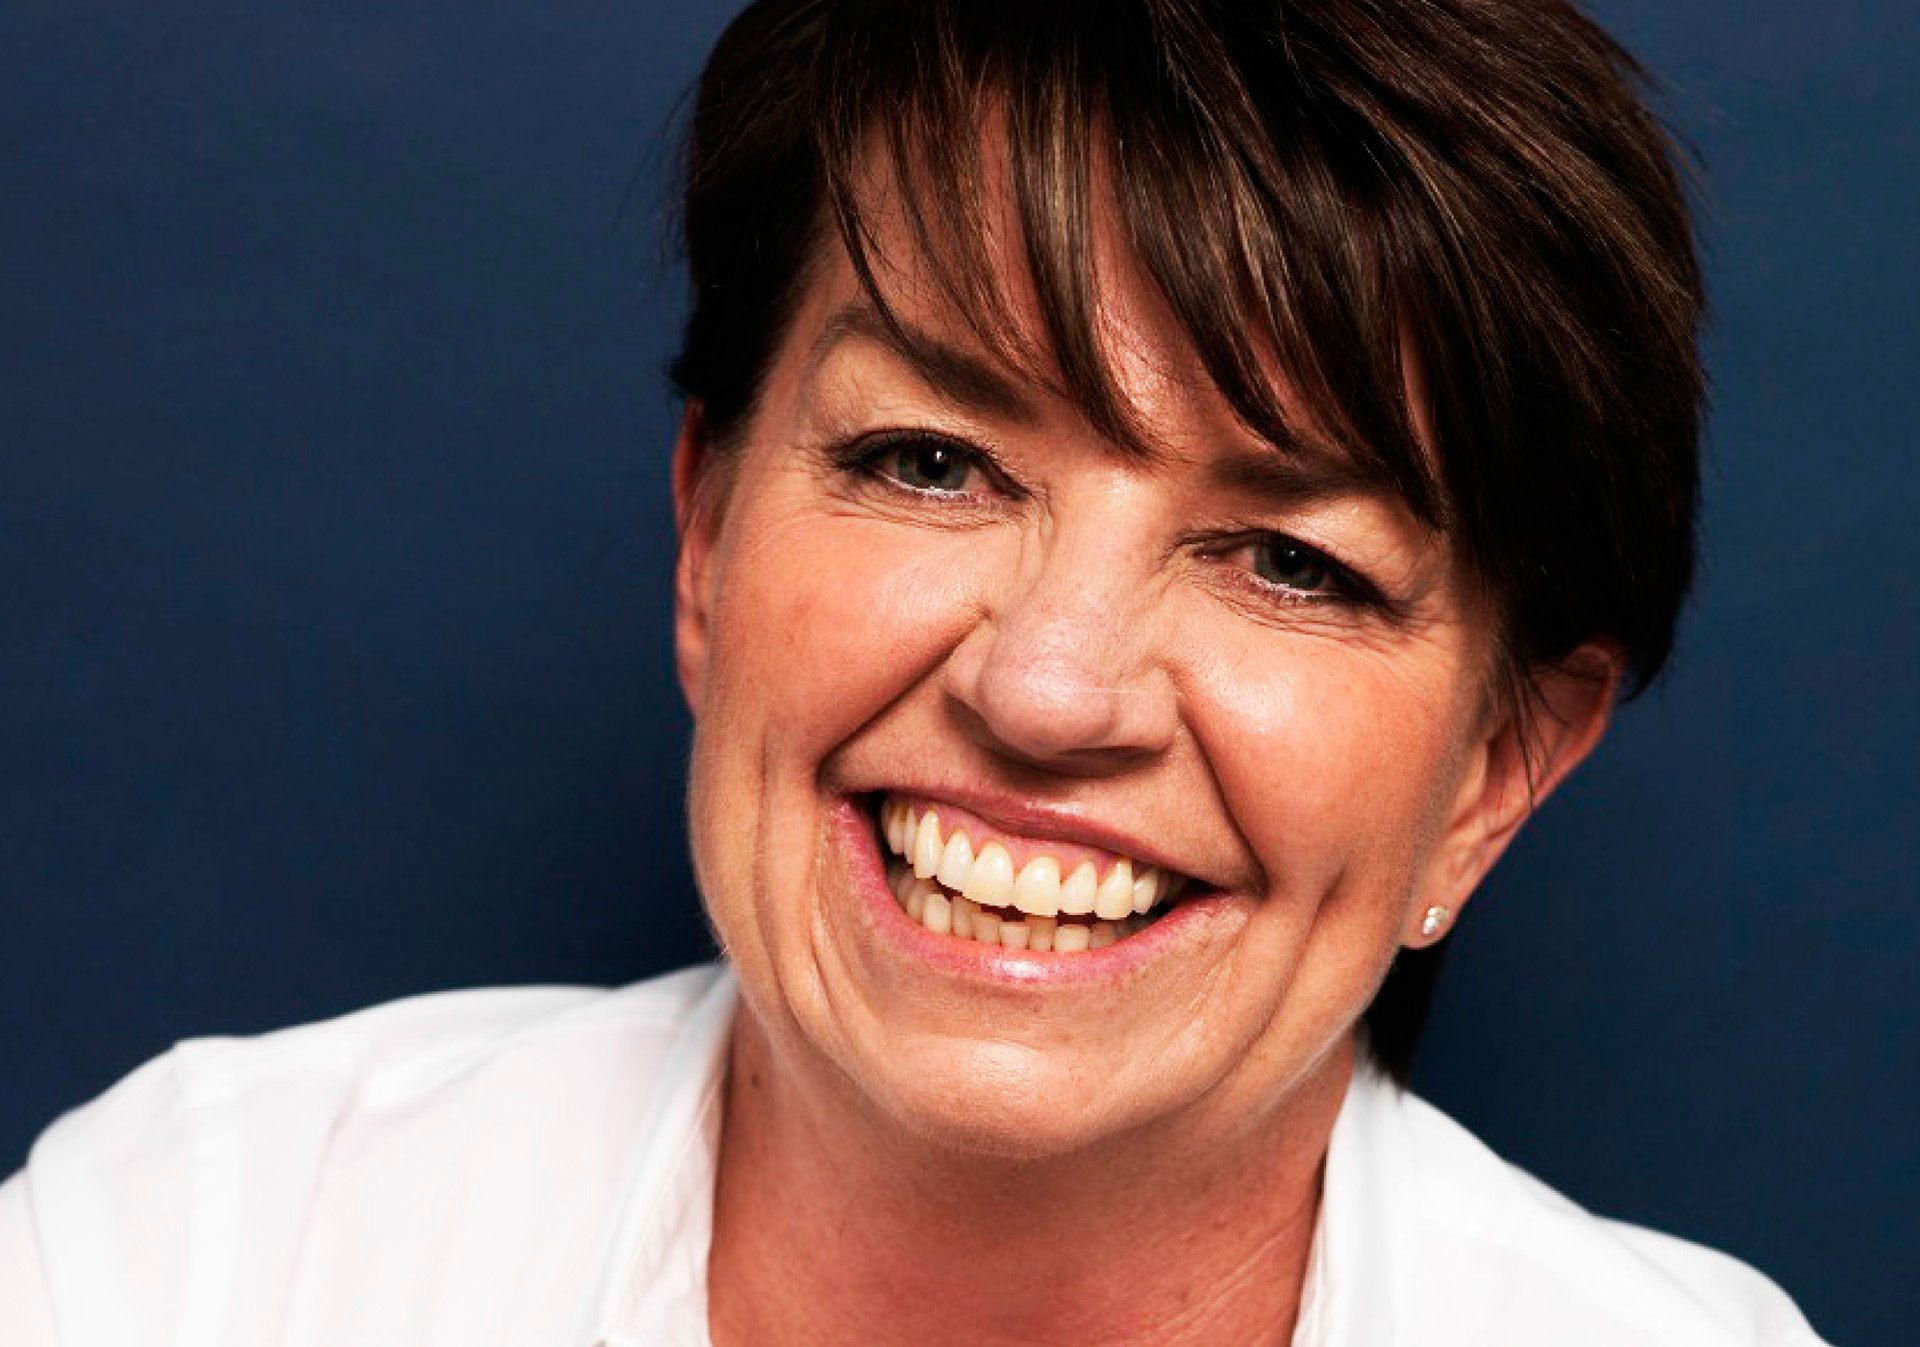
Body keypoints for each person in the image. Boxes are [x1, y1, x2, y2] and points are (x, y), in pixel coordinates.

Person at [0, 0, 1830, 1343]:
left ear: (1498, 772)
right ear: (709, 538)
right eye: (930, 461)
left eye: (1291, 560)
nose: (1047, 691)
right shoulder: (197, 1258)